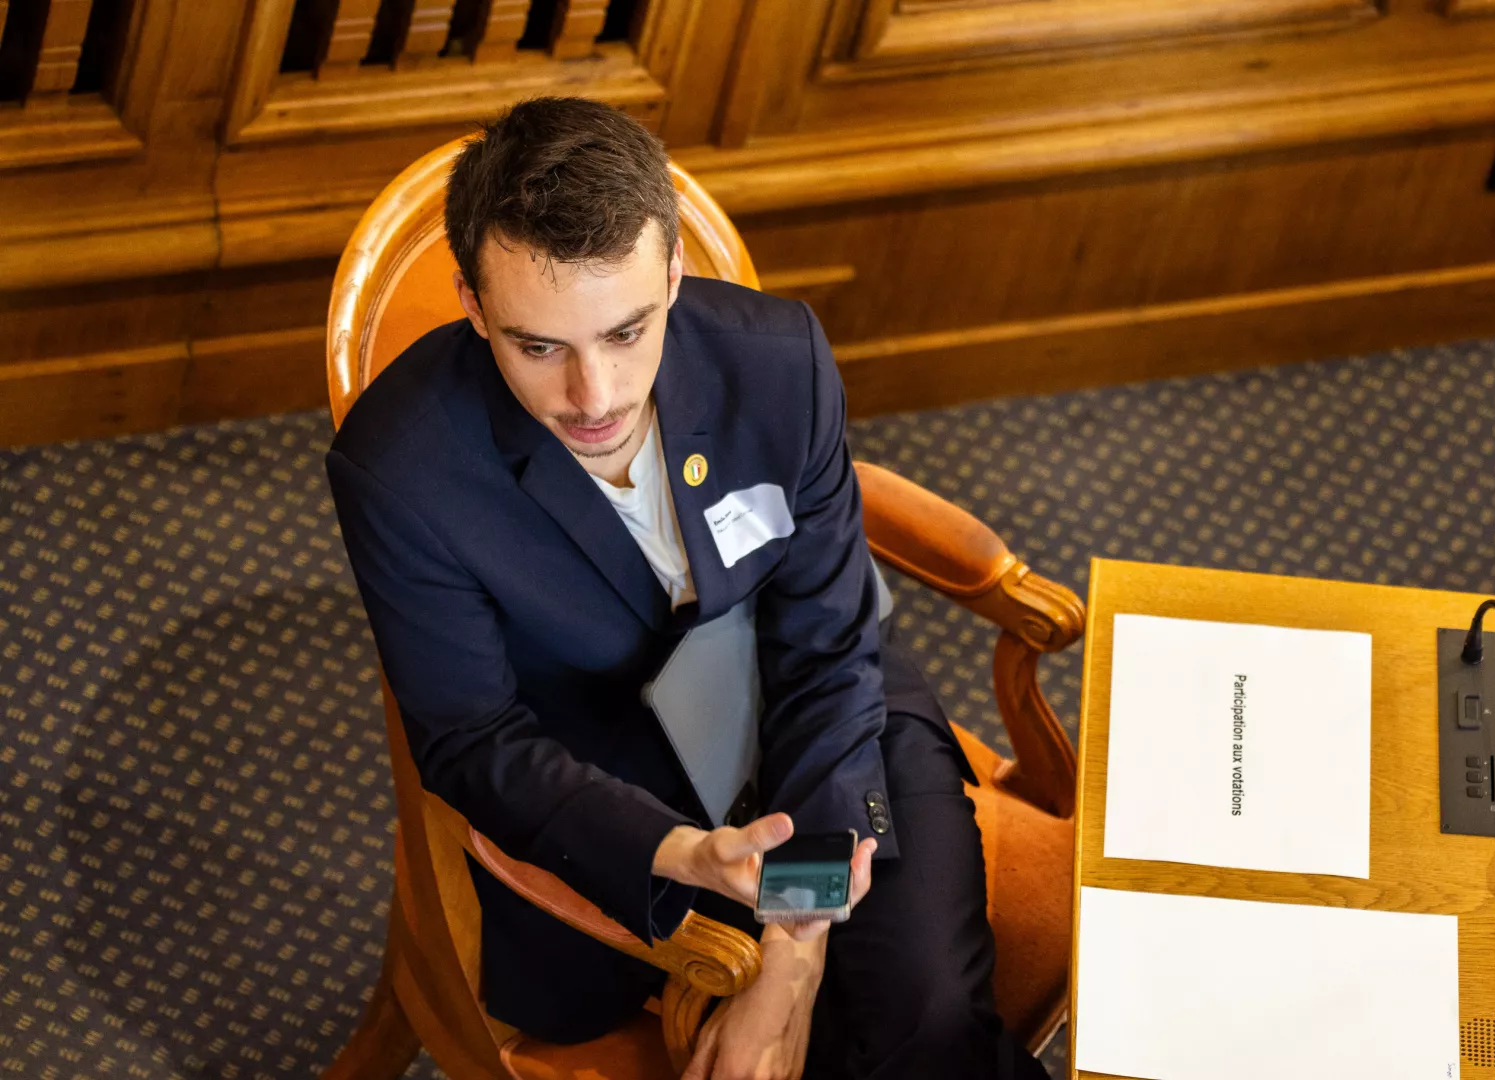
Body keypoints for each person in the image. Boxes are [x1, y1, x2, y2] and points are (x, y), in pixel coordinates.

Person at [325, 96, 1047, 1080]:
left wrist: (793, 951)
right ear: (473, 306)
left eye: (627, 332)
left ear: (673, 275)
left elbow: (827, 650)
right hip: (614, 787)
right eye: (539, 347)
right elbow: (472, 740)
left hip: (822, 725)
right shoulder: (400, 465)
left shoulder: (778, 359)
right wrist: (681, 855)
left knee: (926, 1019)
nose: (596, 397)